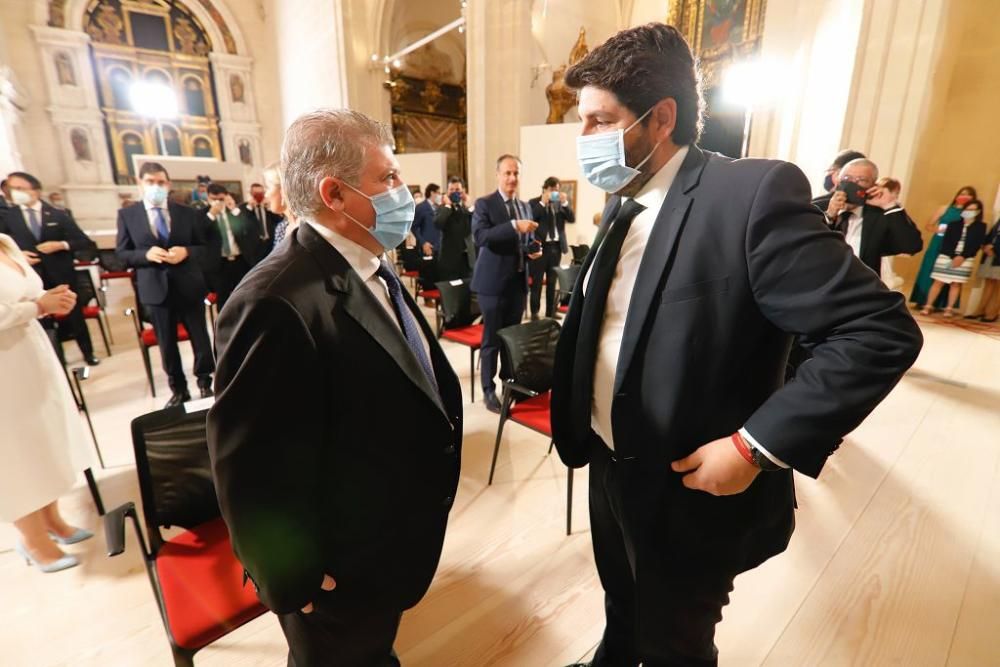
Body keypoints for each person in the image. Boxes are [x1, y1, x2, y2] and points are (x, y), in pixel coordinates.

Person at [550, 23, 923, 667]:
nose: (584, 140)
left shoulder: (749, 194)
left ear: (661, 118)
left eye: (598, 121)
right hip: (609, 459)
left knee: (676, 638)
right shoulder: (624, 200)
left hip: (690, 483)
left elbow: (876, 331)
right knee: (622, 597)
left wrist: (754, 447)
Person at [207, 108, 463, 667]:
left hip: (380, 540)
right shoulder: (273, 301)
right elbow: (248, 466)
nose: (404, 193)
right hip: (334, 571)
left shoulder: (366, 257)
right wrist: (295, 578)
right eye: (388, 179)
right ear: (335, 193)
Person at [1, 233, 95, 573]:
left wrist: (51, 298)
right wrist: (38, 306)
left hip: (30, 351)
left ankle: (53, 520)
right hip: (4, 368)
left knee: (43, 439)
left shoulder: (6, 243)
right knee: (15, 451)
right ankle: (33, 541)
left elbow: (27, 291)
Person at [116, 162, 214, 407]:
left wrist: (186, 252)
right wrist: (145, 256)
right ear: (140, 184)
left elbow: (205, 248)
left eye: (160, 182)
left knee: (200, 338)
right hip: (155, 287)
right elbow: (122, 253)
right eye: (150, 182)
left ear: (168, 184)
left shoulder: (187, 212)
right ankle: (178, 389)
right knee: (167, 342)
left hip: (188, 284)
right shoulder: (128, 215)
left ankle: (205, 382)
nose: (156, 187)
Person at [0, 171, 100, 365]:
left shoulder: (58, 214)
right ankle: (57, 359)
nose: (15, 193)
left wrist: (61, 245)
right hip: (31, 279)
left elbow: (83, 242)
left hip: (61, 273)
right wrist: (18, 258)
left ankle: (88, 354)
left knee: (75, 317)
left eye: (20, 188)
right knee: (45, 325)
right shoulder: (8, 217)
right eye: (12, 189)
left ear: (35, 191)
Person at [471, 155, 541, 413]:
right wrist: (513, 226)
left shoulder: (525, 206)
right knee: (491, 339)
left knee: (511, 340)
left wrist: (534, 248)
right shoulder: (484, 204)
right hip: (492, 284)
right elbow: (481, 237)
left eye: (516, 173)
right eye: (507, 173)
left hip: (517, 283)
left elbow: (526, 239)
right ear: (498, 175)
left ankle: (508, 385)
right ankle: (488, 390)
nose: (512, 178)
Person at [818, 158, 923, 276]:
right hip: (819, 281)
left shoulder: (880, 214)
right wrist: (829, 216)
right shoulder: (818, 207)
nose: (852, 184)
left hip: (858, 286)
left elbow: (911, 246)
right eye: (847, 179)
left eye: (861, 180)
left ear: (873, 185)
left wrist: (890, 206)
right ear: (837, 182)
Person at [911, 186, 977, 308]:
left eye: (968, 195)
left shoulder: (969, 213)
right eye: (962, 193)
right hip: (938, 242)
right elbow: (929, 225)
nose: (964, 197)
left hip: (955, 246)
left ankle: (942, 303)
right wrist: (942, 230)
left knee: (951, 274)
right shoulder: (945, 208)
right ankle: (923, 300)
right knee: (929, 269)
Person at [920, 199, 987, 317]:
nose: (969, 212)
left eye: (972, 210)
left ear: (978, 211)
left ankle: (949, 308)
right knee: (938, 281)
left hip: (966, 259)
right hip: (947, 256)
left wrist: (962, 257)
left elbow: (976, 244)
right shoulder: (954, 224)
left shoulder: (981, 227)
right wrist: (953, 257)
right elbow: (946, 242)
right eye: (967, 209)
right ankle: (928, 305)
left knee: (956, 283)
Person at [203, 183, 263, 310]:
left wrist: (234, 209)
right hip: (220, 264)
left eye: (221, 199)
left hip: (240, 260)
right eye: (214, 199)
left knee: (245, 294)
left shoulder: (234, 211)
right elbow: (199, 233)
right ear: (208, 198)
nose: (218, 202)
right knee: (223, 300)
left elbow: (251, 229)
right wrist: (211, 215)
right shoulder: (203, 214)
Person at [529, 176, 576, 319]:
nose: (554, 193)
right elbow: (531, 217)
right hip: (540, 247)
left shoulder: (559, 204)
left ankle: (550, 312)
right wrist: (543, 203)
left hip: (556, 247)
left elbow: (571, 219)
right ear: (544, 189)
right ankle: (535, 312)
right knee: (537, 282)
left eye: (556, 190)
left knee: (552, 281)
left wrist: (565, 202)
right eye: (551, 190)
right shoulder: (534, 203)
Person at [433, 176, 475, 281]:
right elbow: (438, 224)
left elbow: (472, 227)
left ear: (463, 191)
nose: (454, 192)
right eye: (451, 190)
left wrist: (469, 206)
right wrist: (448, 205)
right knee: (451, 295)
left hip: (466, 261)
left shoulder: (466, 209)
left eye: (457, 190)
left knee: (467, 294)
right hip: (449, 261)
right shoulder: (442, 208)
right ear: (447, 191)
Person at [969, 214, 1000, 323]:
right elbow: (992, 235)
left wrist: (995, 248)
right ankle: (980, 309)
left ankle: (993, 312)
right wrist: (985, 245)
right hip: (990, 256)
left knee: (998, 285)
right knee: (988, 282)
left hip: (997, 254)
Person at [241, 182, 282, 255]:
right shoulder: (244, 207)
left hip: (270, 242)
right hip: (254, 245)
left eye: (261, 192)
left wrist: (269, 207)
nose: (259, 195)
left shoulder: (269, 206)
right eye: (256, 193)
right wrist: (250, 208)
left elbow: (278, 220)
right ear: (251, 193)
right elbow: (242, 224)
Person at [262, 162, 297, 246]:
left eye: (268, 187)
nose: (265, 194)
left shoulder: (310, 226)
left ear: (284, 188)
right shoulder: (282, 228)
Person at [412, 183, 441, 258]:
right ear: (432, 193)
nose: (440, 195)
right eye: (438, 193)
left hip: (439, 247)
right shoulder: (421, 207)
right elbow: (414, 227)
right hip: (427, 246)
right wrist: (423, 243)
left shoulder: (439, 207)